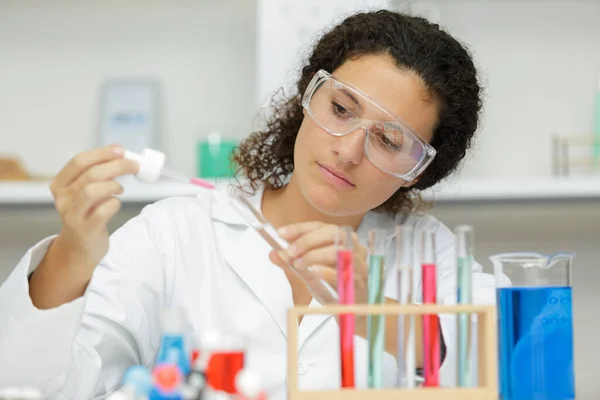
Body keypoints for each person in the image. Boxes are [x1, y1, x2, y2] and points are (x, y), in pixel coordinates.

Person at [0, 9, 497, 399]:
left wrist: (378, 311)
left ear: (421, 170)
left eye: (389, 141)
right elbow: (36, 387)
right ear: (309, 97)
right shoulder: (173, 235)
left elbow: (510, 372)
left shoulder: (431, 254)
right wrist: (72, 255)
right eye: (341, 109)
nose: (347, 150)